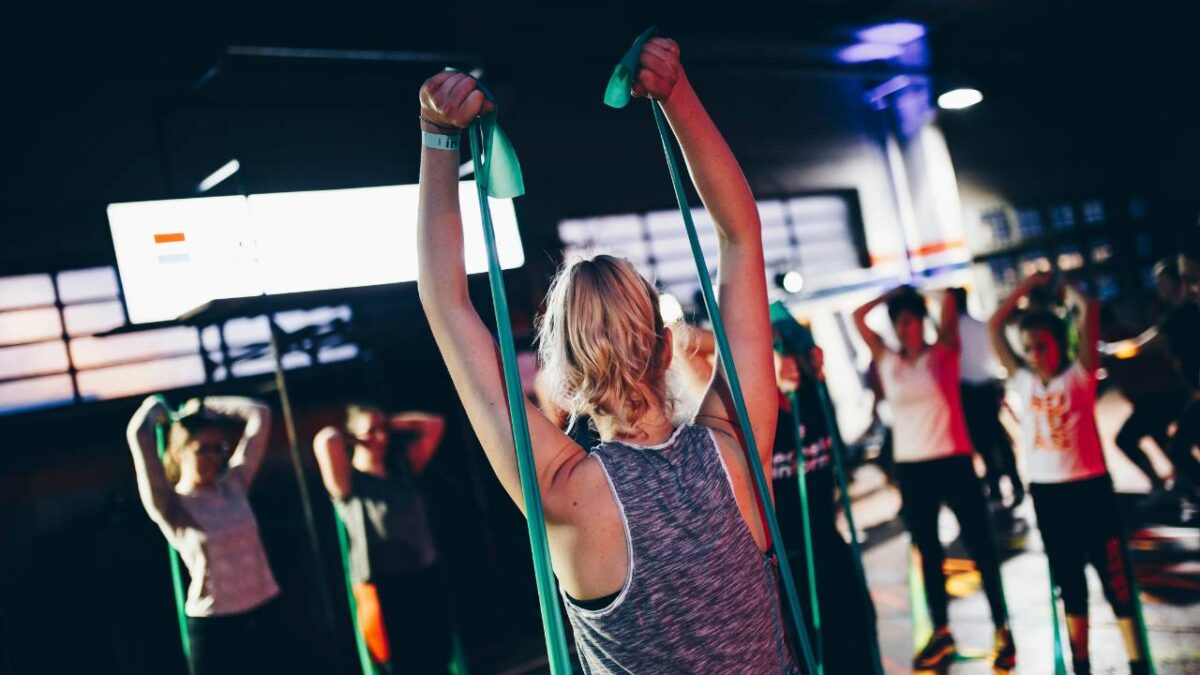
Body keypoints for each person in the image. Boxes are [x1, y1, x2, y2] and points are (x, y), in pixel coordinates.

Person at [416, 37, 798, 673]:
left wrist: (437, 137)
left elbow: (447, 308)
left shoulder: (567, 494)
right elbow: (740, 234)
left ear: (561, 383)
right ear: (669, 344)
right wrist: (676, 92)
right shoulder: (738, 445)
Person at [988, 272, 1148, 675]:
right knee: (1070, 582)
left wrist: (1059, 286)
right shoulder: (1023, 381)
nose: (1036, 353)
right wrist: (1023, 288)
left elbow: (1089, 310)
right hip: (1049, 496)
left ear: (1060, 344)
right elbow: (994, 325)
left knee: (1114, 577)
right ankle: (1081, 662)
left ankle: (1136, 659)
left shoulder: (1079, 377)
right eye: (1029, 348)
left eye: (1043, 345)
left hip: (1091, 490)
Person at [852, 286, 1015, 671]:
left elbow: (950, 303)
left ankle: (1002, 629)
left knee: (982, 548)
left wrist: (921, 293)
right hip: (914, 470)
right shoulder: (888, 361)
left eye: (909, 320)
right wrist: (894, 293)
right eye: (898, 322)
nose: (903, 328)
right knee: (928, 554)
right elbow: (859, 316)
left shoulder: (943, 353)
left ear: (922, 321)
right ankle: (941, 632)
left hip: (954, 462)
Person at [125, 395, 281, 675]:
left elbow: (261, 414)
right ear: (179, 452)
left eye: (218, 449)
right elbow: (137, 434)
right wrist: (154, 410)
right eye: (203, 450)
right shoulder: (171, 504)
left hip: (263, 610)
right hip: (217, 625)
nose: (214, 458)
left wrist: (205, 405)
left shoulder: (234, 484)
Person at [772, 315, 880, 674]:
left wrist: (815, 365)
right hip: (786, 563)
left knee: (860, 632)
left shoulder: (815, 396)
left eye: (791, 351)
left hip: (828, 544)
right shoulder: (753, 416)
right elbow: (687, 346)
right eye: (776, 352)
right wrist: (758, 349)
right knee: (813, 655)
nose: (789, 360)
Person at [313, 404, 452, 673]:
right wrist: (354, 435)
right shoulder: (349, 482)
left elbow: (434, 424)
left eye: (384, 430)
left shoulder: (402, 469)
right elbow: (326, 440)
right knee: (401, 663)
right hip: (383, 584)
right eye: (371, 431)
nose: (381, 437)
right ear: (354, 436)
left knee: (437, 656)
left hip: (424, 575)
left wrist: (389, 422)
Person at [950, 287, 1024, 507]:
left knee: (982, 441)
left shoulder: (952, 331)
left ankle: (995, 487)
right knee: (998, 437)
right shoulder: (979, 325)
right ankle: (1015, 482)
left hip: (969, 391)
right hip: (989, 385)